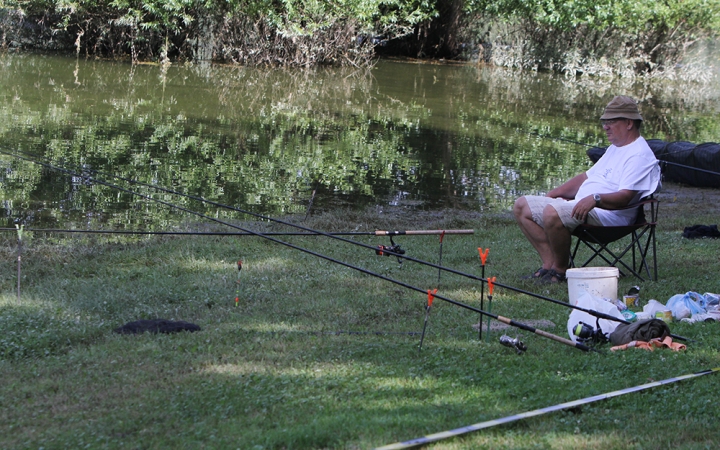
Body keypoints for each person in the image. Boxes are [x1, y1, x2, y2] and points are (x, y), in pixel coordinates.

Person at [513, 95, 661, 284]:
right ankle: (548, 266)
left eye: (611, 122)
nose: (605, 127)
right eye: (604, 122)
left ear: (629, 123)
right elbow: (586, 177)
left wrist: (596, 199)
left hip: (609, 218)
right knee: (521, 206)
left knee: (552, 212)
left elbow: (625, 197)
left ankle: (560, 271)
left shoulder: (639, 155)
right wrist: (555, 193)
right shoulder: (616, 147)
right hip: (584, 207)